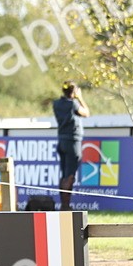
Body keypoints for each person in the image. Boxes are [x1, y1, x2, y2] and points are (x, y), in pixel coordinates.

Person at [52, 81, 89, 211]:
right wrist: (80, 98)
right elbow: (86, 113)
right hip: (73, 142)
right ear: (73, 92)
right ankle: (66, 206)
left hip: (62, 141)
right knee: (70, 176)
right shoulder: (73, 103)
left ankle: (64, 204)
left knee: (64, 175)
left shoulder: (56, 104)